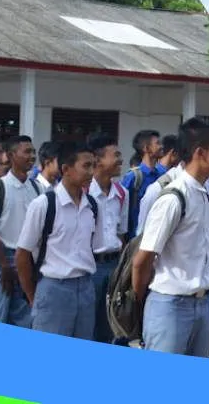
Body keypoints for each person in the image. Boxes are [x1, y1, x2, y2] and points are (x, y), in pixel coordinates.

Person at [132, 118, 209, 356]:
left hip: (201, 304)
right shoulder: (174, 197)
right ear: (200, 153)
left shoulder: (205, 192)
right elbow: (143, 259)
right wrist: (143, 303)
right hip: (170, 305)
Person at [15, 142, 102, 339]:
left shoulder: (93, 206)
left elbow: (94, 247)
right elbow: (22, 255)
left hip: (86, 287)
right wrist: (33, 297)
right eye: (86, 166)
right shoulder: (44, 204)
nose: (91, 172)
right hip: (54, 287)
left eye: (93, 166)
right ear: (66, 169)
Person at [0, 135, 42, 327]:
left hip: (29, 259)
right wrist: (4, 265)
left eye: (33, 152)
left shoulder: (38, 189)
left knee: (25, 318)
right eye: (27, 152)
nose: (32, 156)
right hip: (2, 259)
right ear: (12, 155)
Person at [87, 134, 128, 344]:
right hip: (91, 265)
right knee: (90, 323)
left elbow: (121, 231)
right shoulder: (85, 192)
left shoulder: (122, 193)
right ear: (98, 160)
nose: (121, 160)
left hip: (114, 265)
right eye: (116, 155)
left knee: (113, 322)